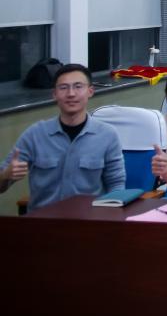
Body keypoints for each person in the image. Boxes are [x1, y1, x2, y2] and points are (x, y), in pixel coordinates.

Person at [1, 64, 125, 210]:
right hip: (43, 220)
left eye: (78, 86)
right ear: (54, 94)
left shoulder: (107, 135)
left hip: (90, 219)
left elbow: (116, 185)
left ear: (90, 91)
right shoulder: (35, 135)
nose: (71, 94)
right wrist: (6, 175)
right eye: (63, 88)